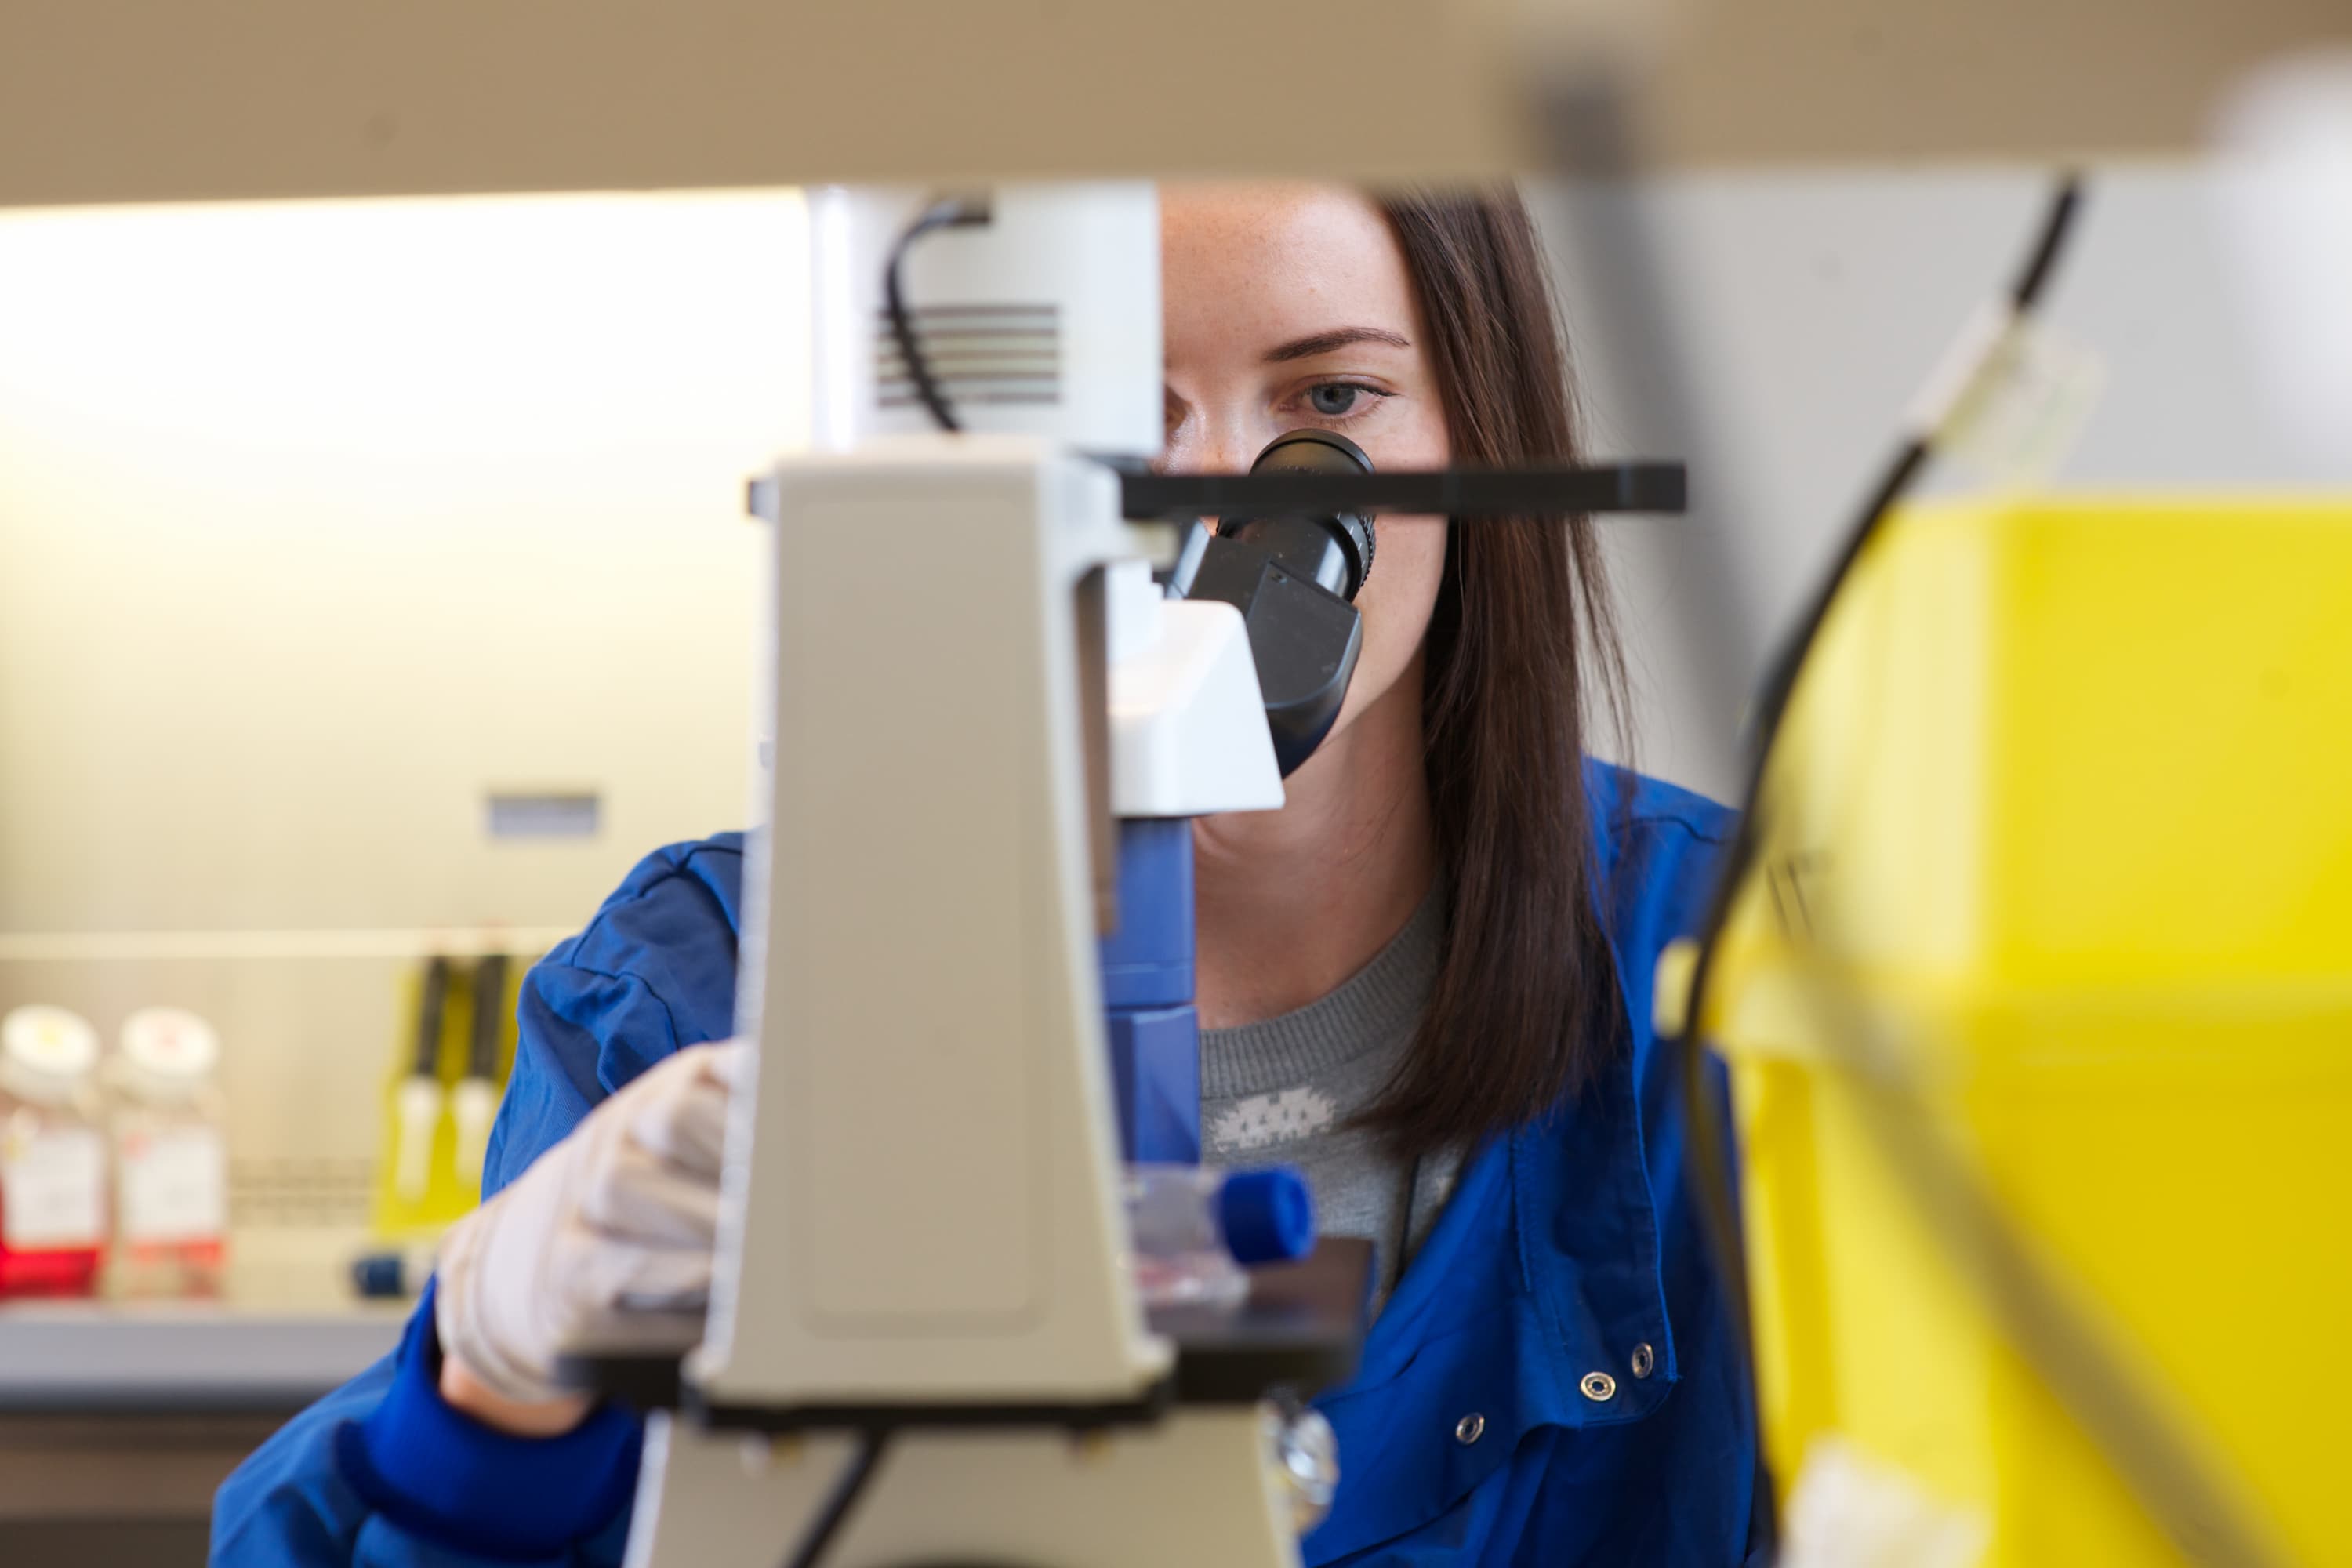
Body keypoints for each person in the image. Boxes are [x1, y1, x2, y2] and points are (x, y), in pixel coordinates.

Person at [214, 183, 1761, 1566]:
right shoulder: (692, 983)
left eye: (1331, 398)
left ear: (1480, 437)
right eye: (1122, 421)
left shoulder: (1718, 959)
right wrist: (495, 1377)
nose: (1220, 502)